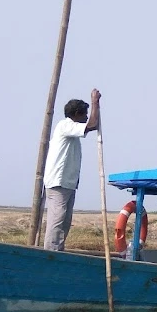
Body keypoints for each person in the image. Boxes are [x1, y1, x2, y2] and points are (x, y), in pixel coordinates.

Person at [42, 90, 101, 251]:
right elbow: (93, 125)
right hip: (58, 182)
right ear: (76, 114)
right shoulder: (65, 125)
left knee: (65, 221)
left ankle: (58, 250)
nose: (86, 117)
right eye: (84, 114)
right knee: (57, 220)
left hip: (68, 183)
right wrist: (95, 102)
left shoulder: (72, 132)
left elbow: (91, 124)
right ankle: (51, 253)